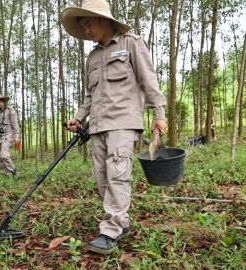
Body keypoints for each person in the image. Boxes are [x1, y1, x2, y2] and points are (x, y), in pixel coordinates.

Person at [61, 0, 167, 254]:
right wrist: (79, 117)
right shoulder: (93, 56)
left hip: (123, 122)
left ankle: (109, 232)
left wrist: (158, 112)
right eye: (83, 26)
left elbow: (147, 79)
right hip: (98, 125)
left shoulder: (131, 43)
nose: (87, 31)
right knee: (102, 178)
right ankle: (123, 223)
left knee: (118, 175)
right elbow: (91, 94)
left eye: (89, 24)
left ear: (105, 20)